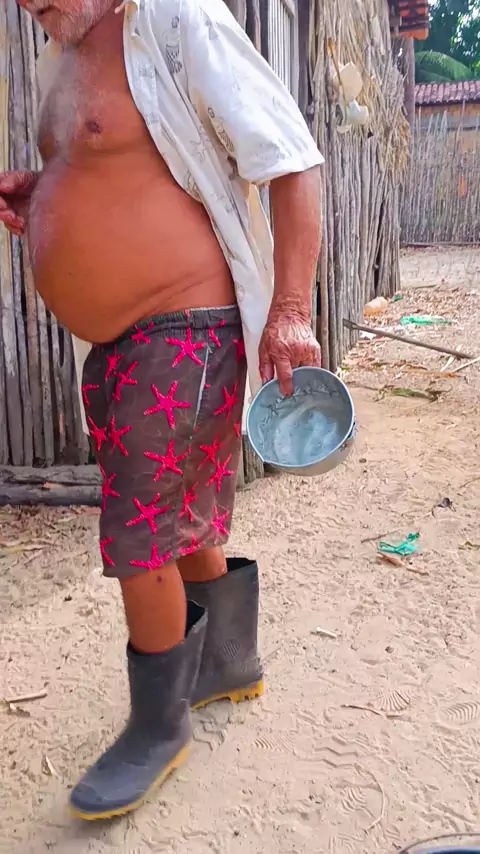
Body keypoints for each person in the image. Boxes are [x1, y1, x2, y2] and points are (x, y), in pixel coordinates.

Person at [0, 0, 322, 820]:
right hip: (117, 340)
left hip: (183, 324)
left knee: (138, 529)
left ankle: (156, 728)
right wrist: (46, 197)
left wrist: (291, 310)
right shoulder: (64, 52)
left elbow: (290, 159)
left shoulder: (176, 18)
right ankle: (227, 662)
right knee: (176, 511)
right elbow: (121, 171)